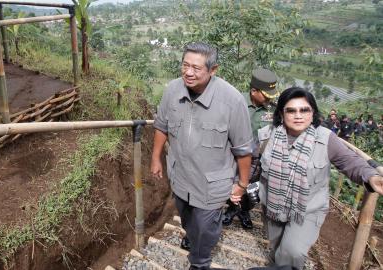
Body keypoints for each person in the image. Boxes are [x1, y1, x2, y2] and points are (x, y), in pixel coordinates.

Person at [151, 42, 253, 269]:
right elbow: (161, 126)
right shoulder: (172, 90)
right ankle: (194, 239)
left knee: (205, 231)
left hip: (212, 186)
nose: (188, 72)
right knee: (189, 223)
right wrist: (156, 158)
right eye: (185, 65)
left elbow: (244, 150)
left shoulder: (232, 101)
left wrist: (242, 184)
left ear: (213, 70)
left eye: (196, 68)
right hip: (181, 178)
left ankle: (199, 262)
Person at [257, 87, 383, 269]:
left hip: (307, 209)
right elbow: (252, 163)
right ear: (281, 114)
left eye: (304, 110)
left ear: (313, 112)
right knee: (276, 248)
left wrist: (371, 177)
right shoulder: (267, 135)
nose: (298, 115)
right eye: (291, 110)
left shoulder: (325, 139)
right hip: (273, 206)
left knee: (292, 251)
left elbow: (350, 162)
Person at [223, 68, 279, 230]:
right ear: (254, 91)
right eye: (266, 94)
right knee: (231, 182)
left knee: (252, 187)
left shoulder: (274, 109)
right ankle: (232, 208)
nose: (269, 98)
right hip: (233, 154)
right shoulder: (235, 101)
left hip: (258, 158)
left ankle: (243, 211)